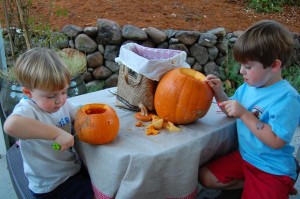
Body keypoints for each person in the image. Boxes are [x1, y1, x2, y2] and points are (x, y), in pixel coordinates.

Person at [198, 20, 300, 199]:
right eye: (241, 65)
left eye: (248, 66)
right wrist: (219, 92)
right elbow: (231, 110)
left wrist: (245, 114)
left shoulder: (287, 98)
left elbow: (277, 141)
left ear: (274, 66)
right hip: (246, 158)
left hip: (272, 169)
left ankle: (277, 187)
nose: (240, 72)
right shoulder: (247, 87)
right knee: (206, 177)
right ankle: (256, 186)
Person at [4, 47, 95, 199]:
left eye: (64, 92)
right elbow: (10, 126)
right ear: (28, 93)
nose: (60, 100)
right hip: (52, 185)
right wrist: (56, 133)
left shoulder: (62, 104)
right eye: (51, 95)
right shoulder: (28, 110)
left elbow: (79, 115)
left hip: (71, 170)